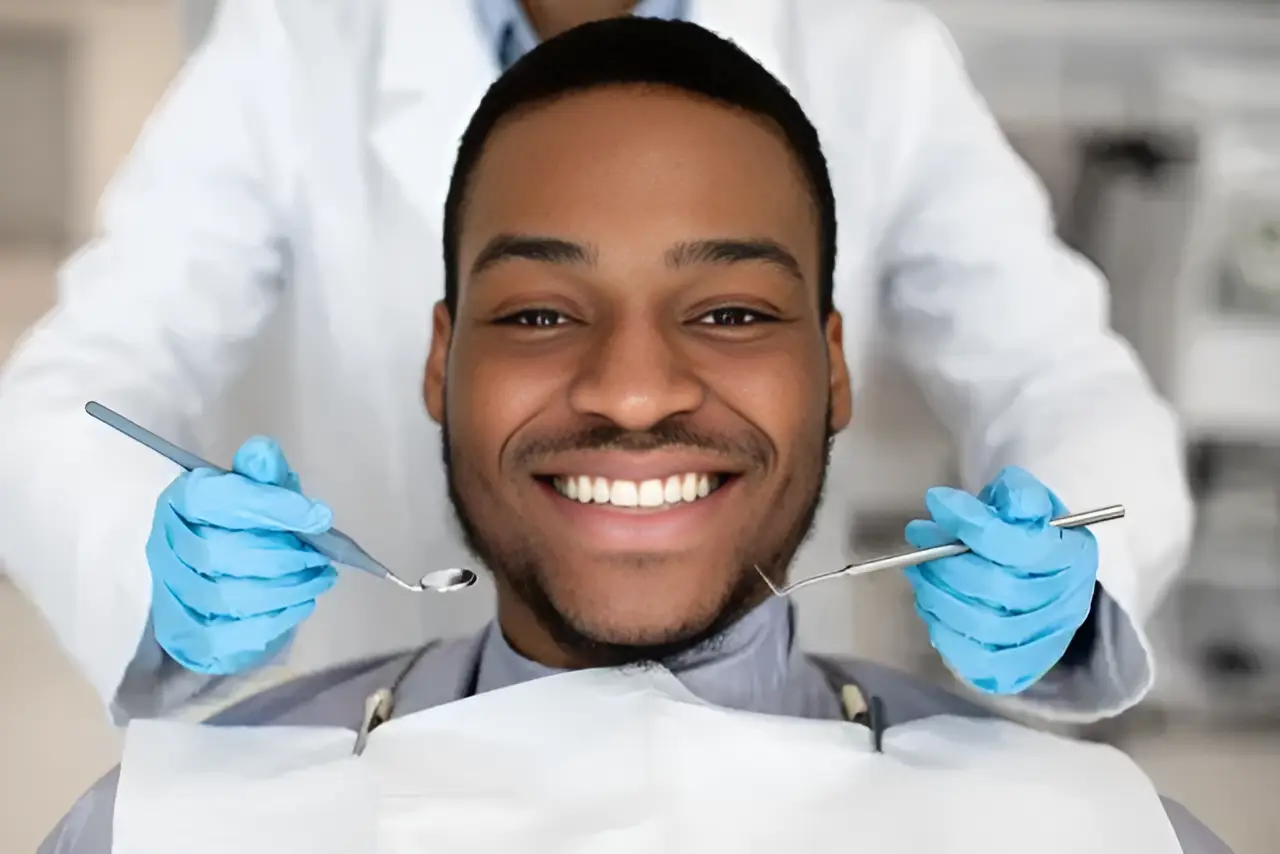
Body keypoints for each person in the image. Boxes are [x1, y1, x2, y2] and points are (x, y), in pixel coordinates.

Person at [38, 21, 1227, 852]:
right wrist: (156, 572)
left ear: (830, 362)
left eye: (730, 311)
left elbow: (1058, 369)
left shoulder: (1094, 834)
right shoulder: (163, 830)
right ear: (442, 359)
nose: (633, 389)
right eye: (540, 312)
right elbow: (81, 376)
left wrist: (1071, 569)